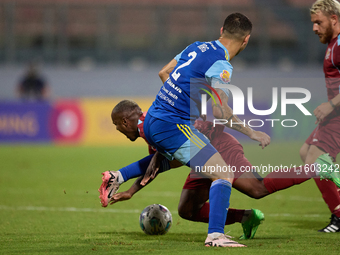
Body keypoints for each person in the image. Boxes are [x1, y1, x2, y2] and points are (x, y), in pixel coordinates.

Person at [99, 100, 340, 239]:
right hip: (201, 157)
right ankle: (246, 217)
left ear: (124, 122)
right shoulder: (152, 123)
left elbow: (162, 163)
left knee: (257, 188)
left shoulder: (152, 126)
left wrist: (125, 181)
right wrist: (131, 190)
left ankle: (315, 167)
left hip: (219, 146)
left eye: (115, 126)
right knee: (188, 209)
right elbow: (159, 162)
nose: (117, 130)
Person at [301, 0, 340, 233]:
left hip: (337, 114)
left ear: (334, 19)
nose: (314, 28)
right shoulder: (332, 43)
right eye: (313, 23)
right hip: (334, 114)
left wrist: (331, 104)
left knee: (314, 161)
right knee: (306, 152)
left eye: (319, 22)